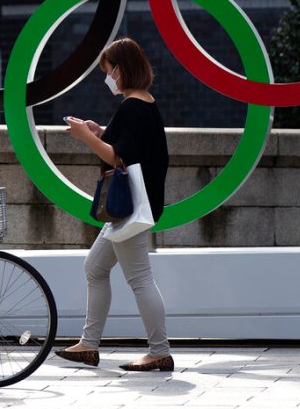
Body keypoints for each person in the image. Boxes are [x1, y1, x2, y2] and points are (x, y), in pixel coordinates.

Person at [55, 37, 173, 372]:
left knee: (140, 277)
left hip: (130, 206)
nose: (107, 78)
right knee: (95, 268)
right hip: (137, 204)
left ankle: (160, 351)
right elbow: (131, 144)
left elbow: (120, 156)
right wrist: (100, 130)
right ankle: (89, 345)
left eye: (108, 72)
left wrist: (86, 137)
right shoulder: (144, 103)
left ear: (121, 70)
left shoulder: (131, 106)